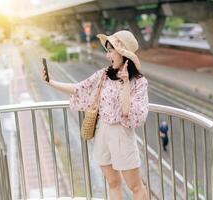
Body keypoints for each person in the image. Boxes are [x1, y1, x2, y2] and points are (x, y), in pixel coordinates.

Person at [42, 30, 149, 200]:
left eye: (110, 50)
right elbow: (79, 88)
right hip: (102, 132)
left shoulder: (139, 82)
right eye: (107, 51)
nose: (108, 56)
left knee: (135, 186)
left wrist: (126, 83)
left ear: (123, 53)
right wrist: (51, 82)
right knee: (113, 183)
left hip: (122, 134)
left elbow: (129, 113)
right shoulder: (104, 75)